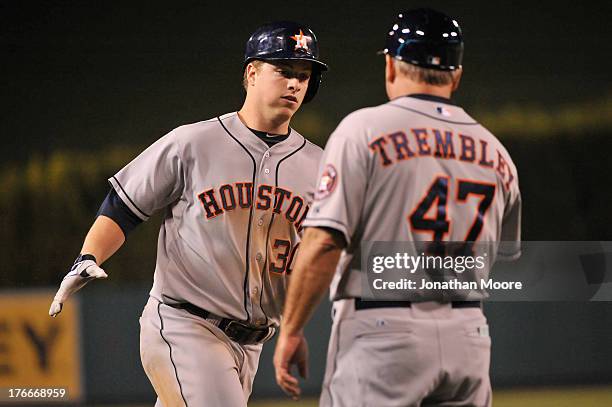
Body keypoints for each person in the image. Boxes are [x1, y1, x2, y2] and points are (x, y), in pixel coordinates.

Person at [49, 21, 327, 407]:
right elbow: (125, 205)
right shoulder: (194, 142)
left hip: (252, 345)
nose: (295, 83)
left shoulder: (319, 164)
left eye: (303, 74)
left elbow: (327, 248)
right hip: (184, 325)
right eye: (283, 70)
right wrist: (89, 254)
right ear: (251, 73)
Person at [274, 8, 521, 407]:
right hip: (469, 335)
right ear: (456, 75)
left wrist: (291, 329)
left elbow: (322, 242)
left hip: (383, 332)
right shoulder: (497, 152)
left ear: (391, 66)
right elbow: (502, 255)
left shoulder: (364, 130)